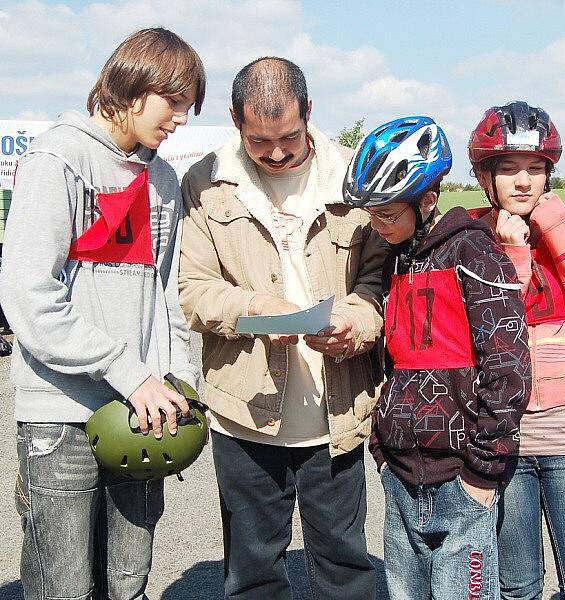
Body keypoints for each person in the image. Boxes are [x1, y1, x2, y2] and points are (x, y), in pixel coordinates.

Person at [0, 28, 204, 598]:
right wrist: (126, 370)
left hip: (142, 414)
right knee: (61, 588)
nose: (182, 119)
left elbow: (168, 296)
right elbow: (27, 297)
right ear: (135, 87)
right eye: (175, 103)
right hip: (59, 417)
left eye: (190, 107)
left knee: (128, 584)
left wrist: (176, 381)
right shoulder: (57, 158)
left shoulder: (162, 180)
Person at [178, 57, 386, 599]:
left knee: (345, 566)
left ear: (310, 112)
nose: (275, 152)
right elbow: (194, 290)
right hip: (244, 415)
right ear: (234, 120)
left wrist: (356, 326)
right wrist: (254, 308)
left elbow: (378, 283)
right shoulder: (204, 184)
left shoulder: (354, 176)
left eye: (288, 138)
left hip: (335, 414)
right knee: (252, 574)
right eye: (259, 140)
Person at [344, 116, 531, 600]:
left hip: (461, 480)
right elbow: (394, 364)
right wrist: (383, 452)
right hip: (402, 478)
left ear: (427, 200)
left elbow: (508, 365)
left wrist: (483, 471)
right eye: (372, 215)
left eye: (387, 214)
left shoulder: (474, 251)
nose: (377, 226)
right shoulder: (395, 259)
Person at [468, 101, 565, 600]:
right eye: (508, 169)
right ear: (484, 175)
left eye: (535, 169)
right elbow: (488, 338)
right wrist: (512, 256)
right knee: (517, 590)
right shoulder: (471, 233)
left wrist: (555, 230)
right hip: (503, 437)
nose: (522, 182)